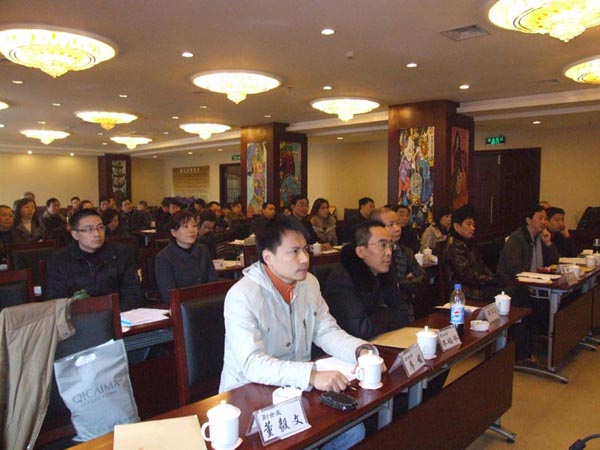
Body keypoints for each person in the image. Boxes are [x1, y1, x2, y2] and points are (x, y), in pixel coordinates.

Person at [220, 216, 376, 449]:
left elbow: (326, 330)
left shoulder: (308, 284)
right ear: (268, 257)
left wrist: (361, 351)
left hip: (295, 392)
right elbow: (252, 364)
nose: (305, 258)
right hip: (249, 398)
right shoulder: (242, 296)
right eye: (294, 251)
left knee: (352, 431)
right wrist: (311, 376)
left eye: (305, 249)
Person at [323, 220, 412, 339]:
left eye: (390, 245)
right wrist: (385, 311)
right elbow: (360, 330)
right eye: (382, 245)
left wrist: (380, 315)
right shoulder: (343, 280)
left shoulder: (384, 271)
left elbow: (404, 314)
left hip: (384, 340)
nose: (389, 252)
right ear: (361, 251)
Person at [45, 209, 144, 311]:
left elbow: (133, 291)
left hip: (118, 313)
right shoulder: (60, 259)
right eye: (89, 229)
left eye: (100, 228)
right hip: (78, 316)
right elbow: (57, 299)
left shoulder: (121, 253)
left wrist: (114, 314)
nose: (97, 234)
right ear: (75, 234)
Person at [371, 207, 426, 320]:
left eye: (398, 224)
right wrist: (408, 282)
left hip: (406, 309)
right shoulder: (372, 254)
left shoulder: (405, 251)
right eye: (391, 225)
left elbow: (423, 278)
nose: (397, 229)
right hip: (381, 313)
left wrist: (400, 284)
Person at [155, 211, 217, 303]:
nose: (191, 230)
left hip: (206, 302)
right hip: (182, 305)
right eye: (185, 226)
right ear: (173, 232)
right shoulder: (164, 257)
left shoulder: (203, 250)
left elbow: (213, 281)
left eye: (194, 226)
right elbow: (169, 294)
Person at [444, 205, 500, 302]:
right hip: (465, 292)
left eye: (473, 225)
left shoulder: (469, 242)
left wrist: (493, 278)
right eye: (468, 224)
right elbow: (467, 275)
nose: (473, 228)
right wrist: (491, 280)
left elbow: (481, 266)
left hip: (479, 287)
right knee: (512, 293)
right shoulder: (455, 246)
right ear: (457, 226)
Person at [497, 204, 560, 283]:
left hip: (536, 281)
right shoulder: (517, 238)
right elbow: (515, 269)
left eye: (545, 219)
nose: (544, 222)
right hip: (513, 283)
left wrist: (548, 243)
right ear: (528, 220)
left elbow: (554, 262)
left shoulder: (542, 236)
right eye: (540, 218)